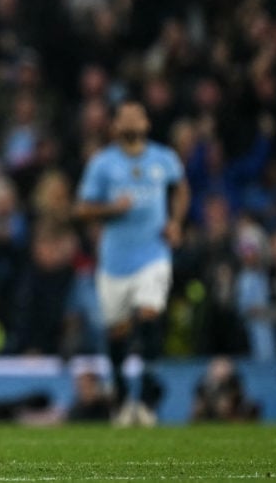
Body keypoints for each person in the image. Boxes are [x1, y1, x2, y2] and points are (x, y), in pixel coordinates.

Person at [74, 99, 190, 426]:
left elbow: (181, 188)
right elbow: (82, 209)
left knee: (150, 314)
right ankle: (124, 398)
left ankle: (149, 399)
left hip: (153, 254)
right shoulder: (102, 164)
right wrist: (111, 209)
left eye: (137, 114)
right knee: (118, 333)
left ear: (147, 124)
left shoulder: (164, 159)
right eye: (124, 115)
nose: (131, 120)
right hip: (114, 261)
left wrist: (176, 222)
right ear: (114, 126)